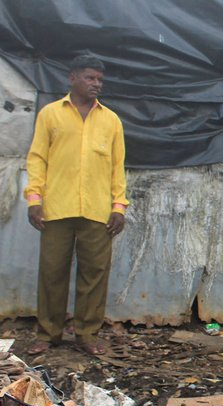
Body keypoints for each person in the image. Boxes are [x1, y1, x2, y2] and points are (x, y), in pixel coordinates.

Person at [24, 54, 128, 356]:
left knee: (94, 274)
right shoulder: (50, 115)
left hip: (97, 212)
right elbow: (37, 159)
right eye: (90, 78)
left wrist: (118, 207)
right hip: (55, 209)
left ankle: (87, 334)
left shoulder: (110, 121)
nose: (96, 84)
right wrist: (34, 200)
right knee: (52, 273)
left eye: (99, 80)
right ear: (72, 78)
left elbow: (117, 168)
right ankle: (49, 333)